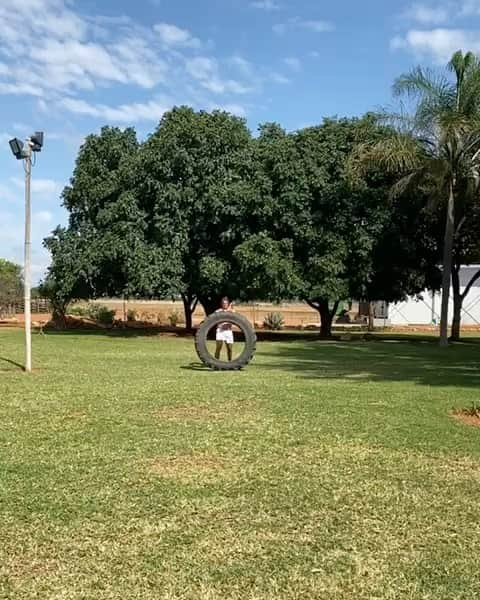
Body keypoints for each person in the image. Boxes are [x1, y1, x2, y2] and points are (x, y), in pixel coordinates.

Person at [215, 297, 234, 361]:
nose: (224, 305)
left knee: (229, 348)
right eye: (223, 303)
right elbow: (213, 320)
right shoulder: (218, 311)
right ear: (221, 304)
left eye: (226, 303)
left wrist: (230, 310)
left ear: (228, 304)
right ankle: (216, 362)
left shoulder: (231, 311)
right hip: (220, 331)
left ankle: (230, 362)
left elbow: (236, 319)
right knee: (218, 347)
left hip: (228, 331)